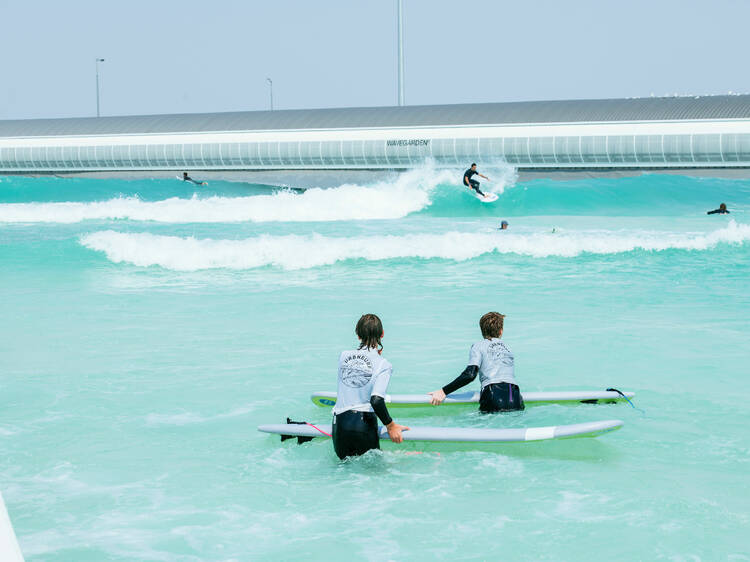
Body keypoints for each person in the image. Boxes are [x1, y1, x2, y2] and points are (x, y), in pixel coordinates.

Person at [332, 314, 409, 459]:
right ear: (382, 334)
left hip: (340, 424)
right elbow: (376, 400)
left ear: (358, 335)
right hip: (364, 424)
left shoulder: (343, 356)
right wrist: (391, 426)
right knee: (373, 474)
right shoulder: (383, 364)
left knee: (346, 471)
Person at [428, 312, 524, 413]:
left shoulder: (478, 346)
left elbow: (470, 375)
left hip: (493, 395)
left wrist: (443, 391)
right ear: (501, 331)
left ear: (482, 331)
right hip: (515, 396)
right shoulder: (508, 348)